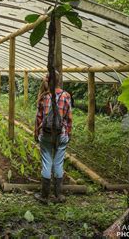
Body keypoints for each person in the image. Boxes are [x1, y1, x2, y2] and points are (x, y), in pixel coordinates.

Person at [34, 72, 73, 204]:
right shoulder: (65, 95)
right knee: (58, 163)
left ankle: (44, 196)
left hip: (46, 135)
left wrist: (36, 133)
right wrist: (68, 133)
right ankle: (58, 195)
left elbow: (38, 118)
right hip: (61, 134)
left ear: (48, 81)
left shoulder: (44, 97)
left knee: (47, 162)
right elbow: (69, 118)